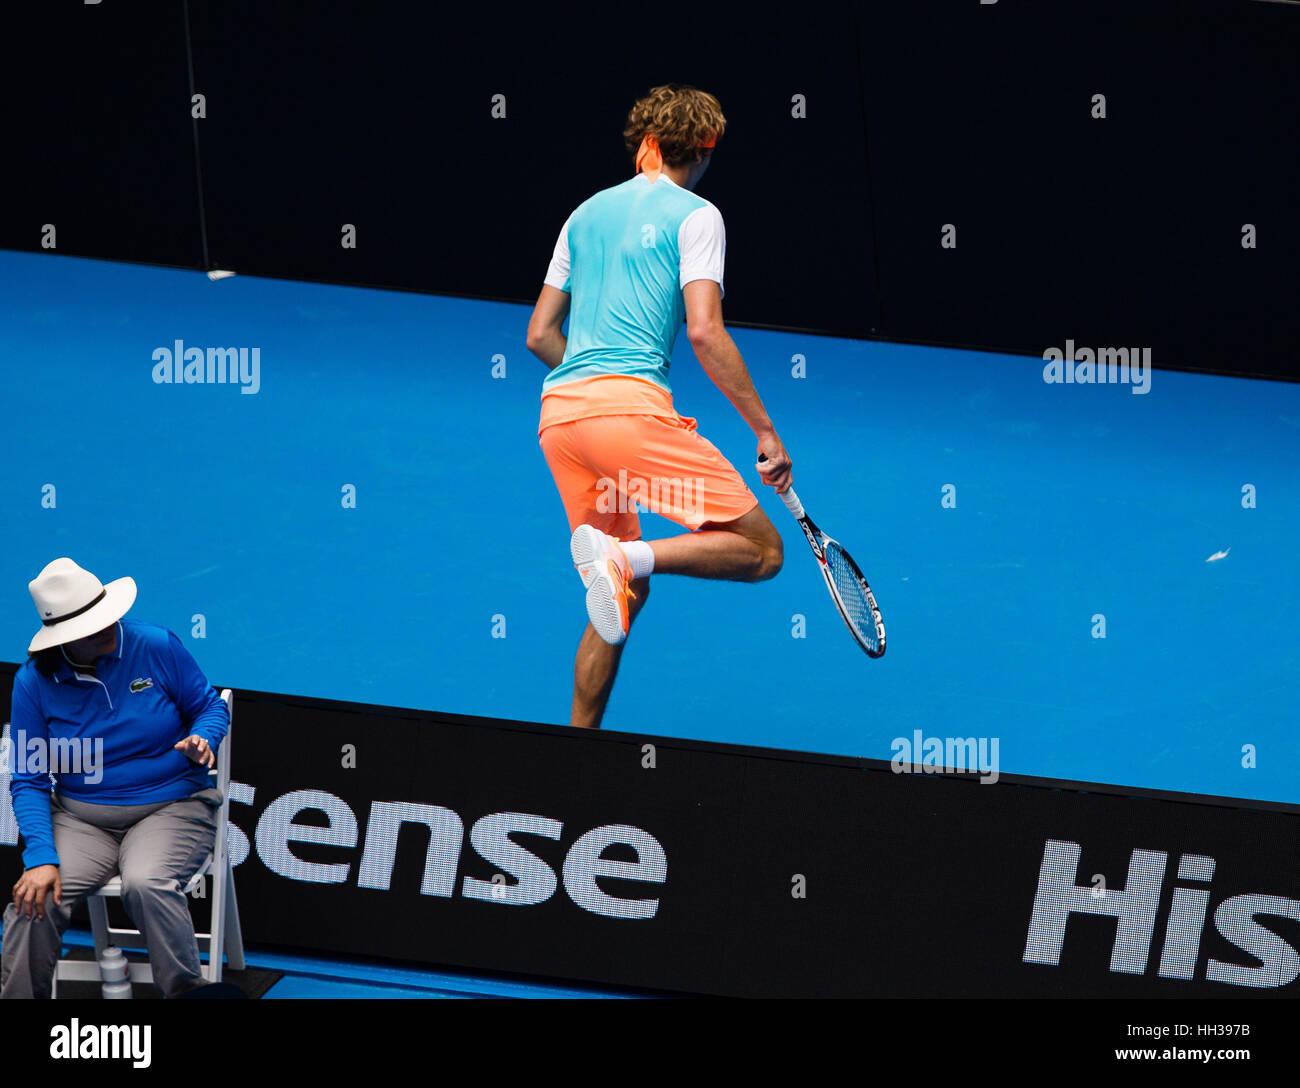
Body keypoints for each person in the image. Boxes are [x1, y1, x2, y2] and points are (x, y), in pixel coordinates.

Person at [527, 83, 792, 729]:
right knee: (762, 552)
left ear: (645, 143)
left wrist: (590, 390)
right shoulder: (698, 215)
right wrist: (764, 430)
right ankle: (626, 555)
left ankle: (574, 747)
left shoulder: (583, 212)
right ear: (704, 151)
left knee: (616, 595)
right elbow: (705, 331)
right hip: (627, 418)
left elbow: (538, 335)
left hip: (560, 419)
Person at [1, 557, 229, 999]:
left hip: (170, 806)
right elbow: (28, 779)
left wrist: (203, 737)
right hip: (81, 820)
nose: (108, 626)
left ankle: (187, 994)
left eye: (105, 613)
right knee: (35, 898)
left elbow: (210, 706)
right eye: (90, 625)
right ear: (63, 639)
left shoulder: (156, 645)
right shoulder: (31, 683)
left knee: (146, 883)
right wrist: (42, 858)